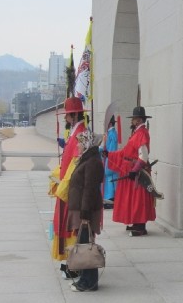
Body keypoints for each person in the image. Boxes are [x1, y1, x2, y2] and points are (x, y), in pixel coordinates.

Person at [105, 106, 156, 236]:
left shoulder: (142, 133)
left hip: (137, 171)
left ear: (138, 120)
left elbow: (143, 155)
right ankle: (136, 223)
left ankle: (140, 226)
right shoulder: (137, 133)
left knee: (139, 199)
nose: (132, 122)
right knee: (133, 199)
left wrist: (135, 170)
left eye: (133, 119)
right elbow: (125, 151)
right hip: (131, 168)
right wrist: (109, 154)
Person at [51, 97, 88, 279]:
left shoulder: (81, 133)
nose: (65, 119)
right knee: (67, 225)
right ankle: (71, 262)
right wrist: (57, 175)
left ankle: (76, 264)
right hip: (68, 185)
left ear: (74, 115)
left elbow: (76, 163)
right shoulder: (75, 132)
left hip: (73, 189)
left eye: (67, 115)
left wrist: (64, 186)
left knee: (73, 226)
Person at [67, 130, 104, 292]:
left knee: (86, 244)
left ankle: (88, 282)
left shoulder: (93, 162)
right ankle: (86, 279)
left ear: (88, 143)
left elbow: (90, 189)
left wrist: (85, 214)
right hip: (82, 209)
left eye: (81, 142)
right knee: (84, 243)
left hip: (86, 211)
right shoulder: (87, 159)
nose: (78, 145)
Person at [101, 115, 118, 209]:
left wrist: (107, 155)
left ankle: (110, 199)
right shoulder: (110, 134)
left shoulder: (112, 134)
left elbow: (111, 150)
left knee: (110, 179)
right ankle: (108, 199)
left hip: (111, 158)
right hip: (108, 157)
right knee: (108, 180)